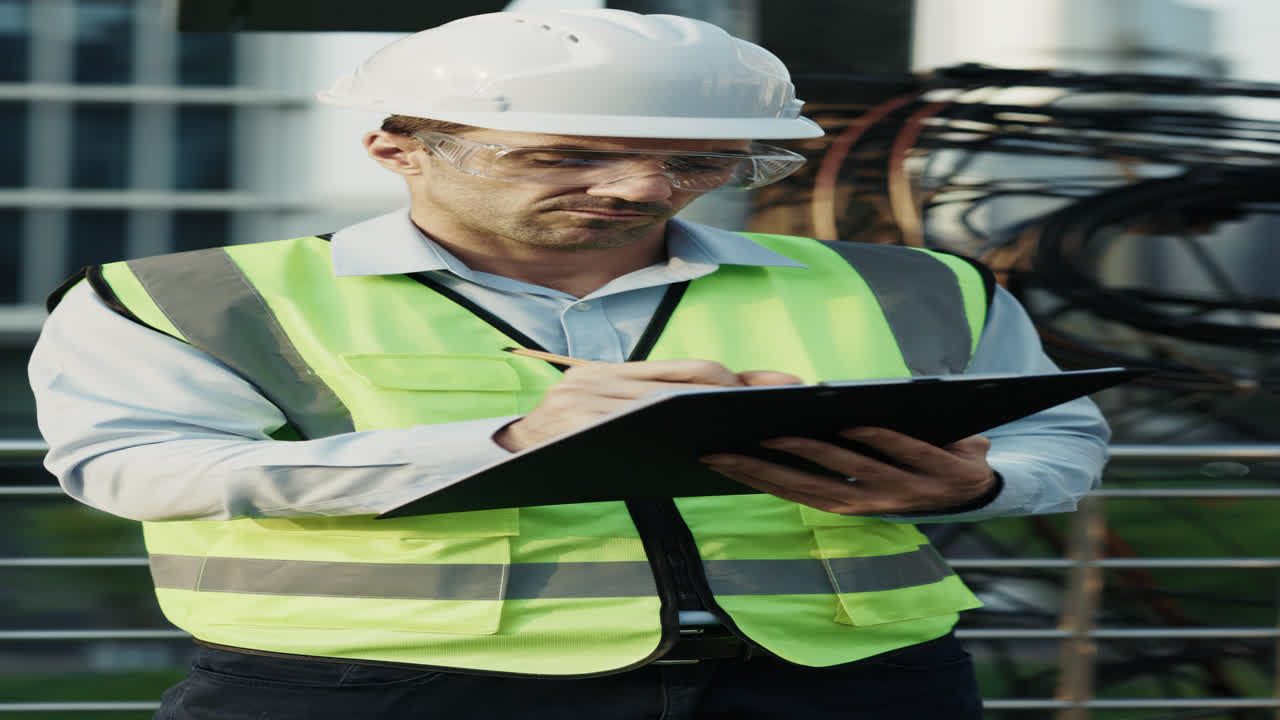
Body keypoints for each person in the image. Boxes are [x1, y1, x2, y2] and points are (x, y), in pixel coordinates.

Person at [28, 9, 1110, 720]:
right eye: (567, 155)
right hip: (379, 694)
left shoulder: (909, 285)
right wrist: (500, 443)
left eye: (693, 163)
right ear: (396, 145)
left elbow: (1056, 435)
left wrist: (987, 482)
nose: (639, 190)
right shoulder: (182, 296)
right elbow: (138, 469)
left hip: (853, 689)